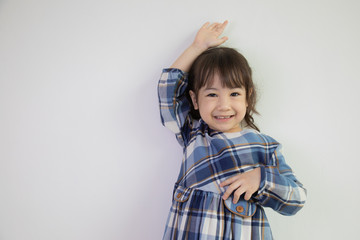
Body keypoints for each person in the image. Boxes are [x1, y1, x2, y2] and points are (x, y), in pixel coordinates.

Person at [158, 20, 306, 240]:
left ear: (248, 96)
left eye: (234, 94)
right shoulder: (193, 133)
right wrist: (196, 48)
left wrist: (261, 179)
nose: (223, 105)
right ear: (195, 100)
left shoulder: (264, 146)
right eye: (211, 94)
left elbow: (296, 199)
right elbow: (167, 92)